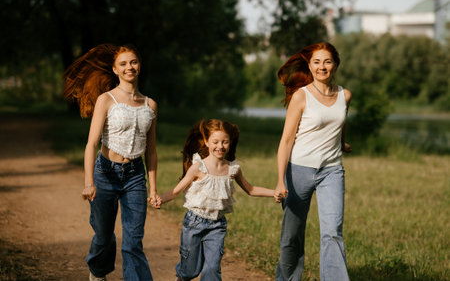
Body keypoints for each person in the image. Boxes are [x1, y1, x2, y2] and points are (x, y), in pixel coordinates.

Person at [63, 43, 161, 281]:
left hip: (135, 176)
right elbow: (91, 144)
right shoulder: (106, 100)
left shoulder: (151, 105)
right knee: (103, 236)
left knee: (133, 241)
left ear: (140, 65)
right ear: (115, 70)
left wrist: (154, 188)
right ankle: (97, 272)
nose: (130, 67)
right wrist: (89, 182)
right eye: (124, 64)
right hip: (105, 173)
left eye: (134, 62)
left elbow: (151, 150)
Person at [157, 119, 275, 281]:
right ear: (206, 141)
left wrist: (275, 192)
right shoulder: (198, 167)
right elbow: (176, 191)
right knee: (190, 270)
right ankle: (182, 277)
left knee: (212, 269)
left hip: (217, 225)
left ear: (230, 143)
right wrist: (160, 199)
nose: (220, 146)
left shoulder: (233, 169)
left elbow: (251, 189)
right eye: (215, 142)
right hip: (194, 223)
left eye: (225, 142)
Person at [274, 42, 352, 281]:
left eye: (327, 61)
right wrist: (280, 181)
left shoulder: (345, 95)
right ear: (309, 65)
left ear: (335, 65)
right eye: (317, 62)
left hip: (331, 171)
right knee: (292, 236)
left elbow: (339, 123)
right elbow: (287, 140)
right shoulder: (301, 96)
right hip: (298, 170)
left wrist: (341, 143)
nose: (322, 67)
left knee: (332, 232)